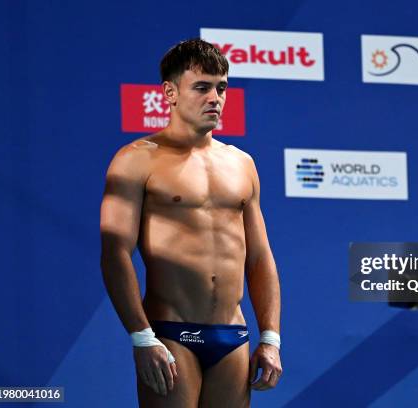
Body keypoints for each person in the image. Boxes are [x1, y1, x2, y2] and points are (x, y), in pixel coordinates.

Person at [100, 38, 282, 407]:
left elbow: (260, 257)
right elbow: (115, 252)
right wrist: (141, 337)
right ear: (170, 92)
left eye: (221, 87)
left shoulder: (242, 163)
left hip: (233, 335)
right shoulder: (136, 160)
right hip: (170, 333)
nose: (215, 97)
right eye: (202, 87)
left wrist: (271, 337)